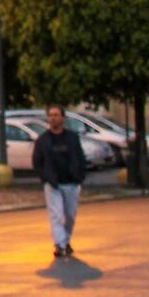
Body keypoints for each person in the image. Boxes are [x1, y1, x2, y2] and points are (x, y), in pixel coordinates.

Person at [38, 104, 89, 260]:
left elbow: (80, 157)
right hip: (53, 184)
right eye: (50, 115)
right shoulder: (43, 140)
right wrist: (45, 177)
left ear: (63, 118)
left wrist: (80, 175)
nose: (53, 118)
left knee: (70, 215)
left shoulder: (72, 138)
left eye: (56, 115)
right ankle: (60, 245)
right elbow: (37, 161)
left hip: (71, 182)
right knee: (57, 215)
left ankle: (65, 241)